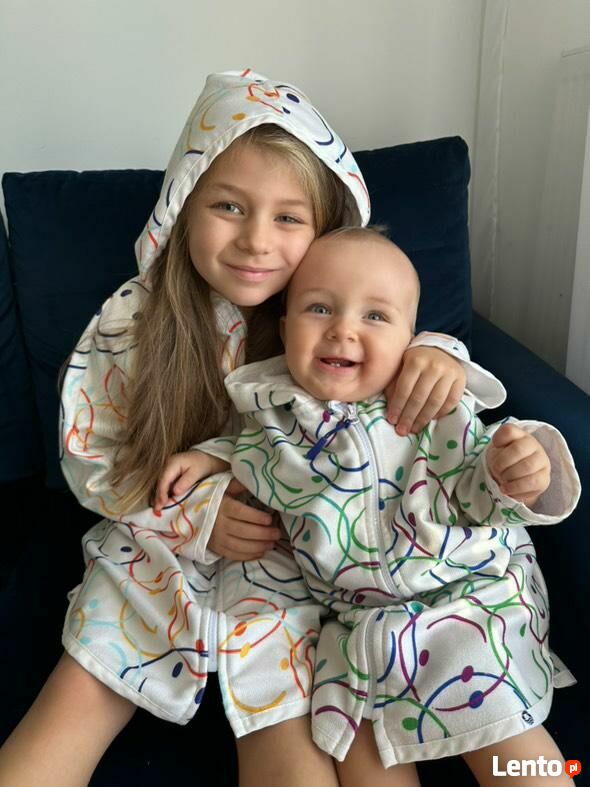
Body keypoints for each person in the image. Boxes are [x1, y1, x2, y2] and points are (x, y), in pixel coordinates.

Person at [0, 71, 505, 787]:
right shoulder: (133, 320)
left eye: (289, 218)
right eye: (229, 206)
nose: (256, 240)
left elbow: (398, 356)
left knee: (289, 742)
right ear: (183, 206)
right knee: (70, 709)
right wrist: (196, 516)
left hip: (294, 568)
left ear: (326, 230)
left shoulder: (332, 322)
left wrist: (440, 352)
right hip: (155, 548)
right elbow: (92, 454)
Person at [157, 229, 581, 786]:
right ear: (284, 331)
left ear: (412, 340)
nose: (342, 329)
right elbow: (249, 460)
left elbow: (480, 488)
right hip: (360, 631)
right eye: (318, 308)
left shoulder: (431, 408)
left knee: (513, 747)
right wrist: (210, 460)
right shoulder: (271, 425)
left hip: (467, 603)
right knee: (358, 746)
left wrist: (516, 473)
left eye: (375, 316)